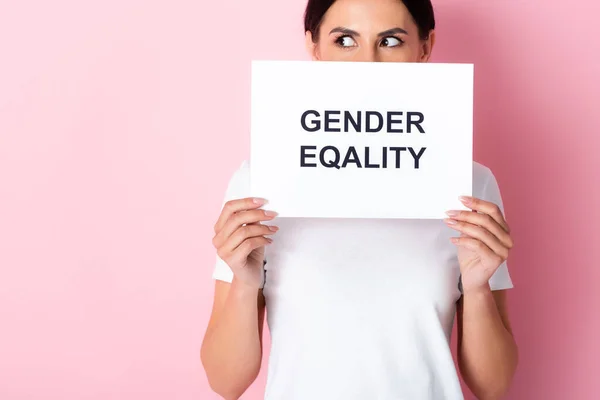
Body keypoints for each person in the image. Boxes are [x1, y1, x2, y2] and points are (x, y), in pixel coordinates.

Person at [200, 0, 518, 399]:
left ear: (425, 47)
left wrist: (477, 289)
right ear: (314, 48)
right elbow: (224, 382)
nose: (367, 62)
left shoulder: (469, 186)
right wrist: (245, 285)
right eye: (345, 39)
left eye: (390, 41)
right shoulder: (262, 180)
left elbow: (494, 384)